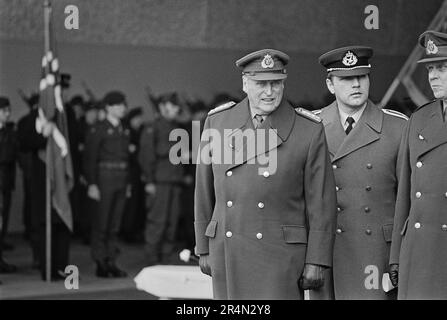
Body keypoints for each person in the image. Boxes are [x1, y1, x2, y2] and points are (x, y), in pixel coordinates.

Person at [194, 49, 337, 299]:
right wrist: (202, 246)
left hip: (279, 254)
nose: (269, 92)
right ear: (245, 83)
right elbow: (203, 190)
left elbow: (321, 201)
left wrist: (317, 259)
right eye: (261, 83)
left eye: (276, 83)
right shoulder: (217, 122)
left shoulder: (308, 129)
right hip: (229, 249)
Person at [310, 46, 407, 300]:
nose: (356, 84)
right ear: (330, 84)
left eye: (361, 77)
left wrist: (398, 257)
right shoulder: (311, 126)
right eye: (346, 79)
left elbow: (408, 199)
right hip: (326, 254)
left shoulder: (398, 128)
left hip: (376, 253)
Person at [389, 30, 447, 299]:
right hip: (419, 248)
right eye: (431, 69)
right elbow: (405, 194)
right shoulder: (419, 119)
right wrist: (396, 257)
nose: (433, 76)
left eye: (443, 67)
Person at [83, 91, 130, 278]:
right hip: (104, 178)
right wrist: (92, 183)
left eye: (123, 105)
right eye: (118, 105)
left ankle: (111, 260)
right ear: (108, 108)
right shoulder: (98, 129)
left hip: (121, 176)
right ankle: (100, 261)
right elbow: (90, 158)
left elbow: (128, 158)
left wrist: (128, 184)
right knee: (101, 223)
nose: (122, 109)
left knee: (114, 224)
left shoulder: (124, 129)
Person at [139, 92, 187, 265]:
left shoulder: (178, 128)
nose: (175, 109)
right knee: (157, 222)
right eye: (171, 106)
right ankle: (152, 260)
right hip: (159, 182)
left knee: (171, 223)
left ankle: (165, 258)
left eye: (175, 106)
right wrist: (149, 181)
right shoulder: (153, 128)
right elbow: (146, 156)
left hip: (174, 181)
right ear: (162, 107)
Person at [0, 96, 18, 276]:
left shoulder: (9, 132)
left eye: (8, 110)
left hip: (5, 183)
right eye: (4, 110)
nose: (7, 113)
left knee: (2, 224)